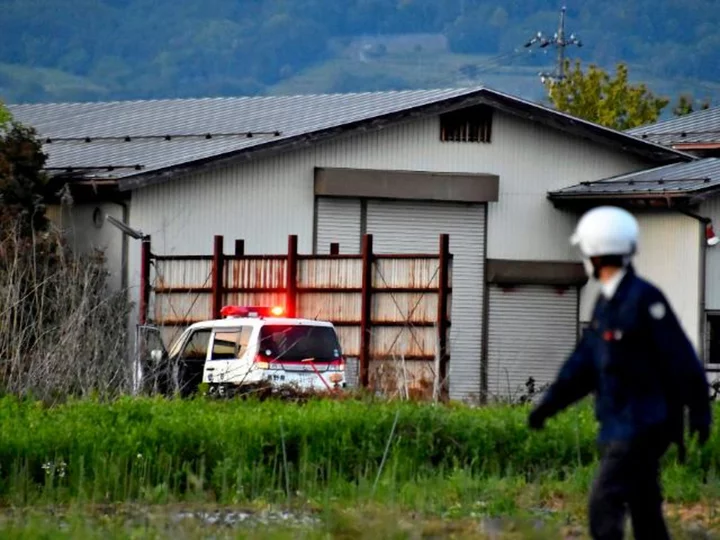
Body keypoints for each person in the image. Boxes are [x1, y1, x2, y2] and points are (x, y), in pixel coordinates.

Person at [528, 206, 712, 540]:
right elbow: (582, 366)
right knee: (644, 507)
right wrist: (548, 406)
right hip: (619, 421)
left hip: (644, 422)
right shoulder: (606, 303)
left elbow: (681, 358)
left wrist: (700, 412)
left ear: (596, 255)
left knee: (605, 498)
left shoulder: (643, 299)